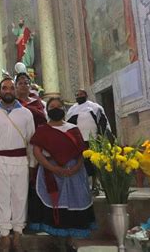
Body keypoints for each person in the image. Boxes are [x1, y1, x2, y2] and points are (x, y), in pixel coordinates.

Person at [29, 98, 96, 250]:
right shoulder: (42, 130)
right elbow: (37, 152)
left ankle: (70, 240)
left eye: (59, 106)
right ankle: (56, 240)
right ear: (48, 111)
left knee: (73, 204)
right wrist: (53, 169)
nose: (56, 109)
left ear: (64, 110)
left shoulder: (73, 128)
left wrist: (76, 167)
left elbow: (81, 152)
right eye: (52, 107)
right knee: (55, 205)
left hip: (74, 174)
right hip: (51, 173)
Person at [0, 78, 35, 252]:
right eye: (4, 88)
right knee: (2, 197)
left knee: (20, 197)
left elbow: (32, 141)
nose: (8, 90)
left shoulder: (26, 113)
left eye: (11, 87)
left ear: (16, 90)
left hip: (21, 160)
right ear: (0, 91)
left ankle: (18, 233)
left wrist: (32, 163)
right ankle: (4, 234)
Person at [65, 89, 112, 192]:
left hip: (94, 140)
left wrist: (101, 136)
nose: (78, 96)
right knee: (82, 163)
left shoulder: (94, 107)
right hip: (79, 142)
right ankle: (85, 186)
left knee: (95, 163)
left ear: (86, 95)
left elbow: (103, 122)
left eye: (81, 94)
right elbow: (68, 126)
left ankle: (96, 185)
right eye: (77, 95)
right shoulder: (72, 110)